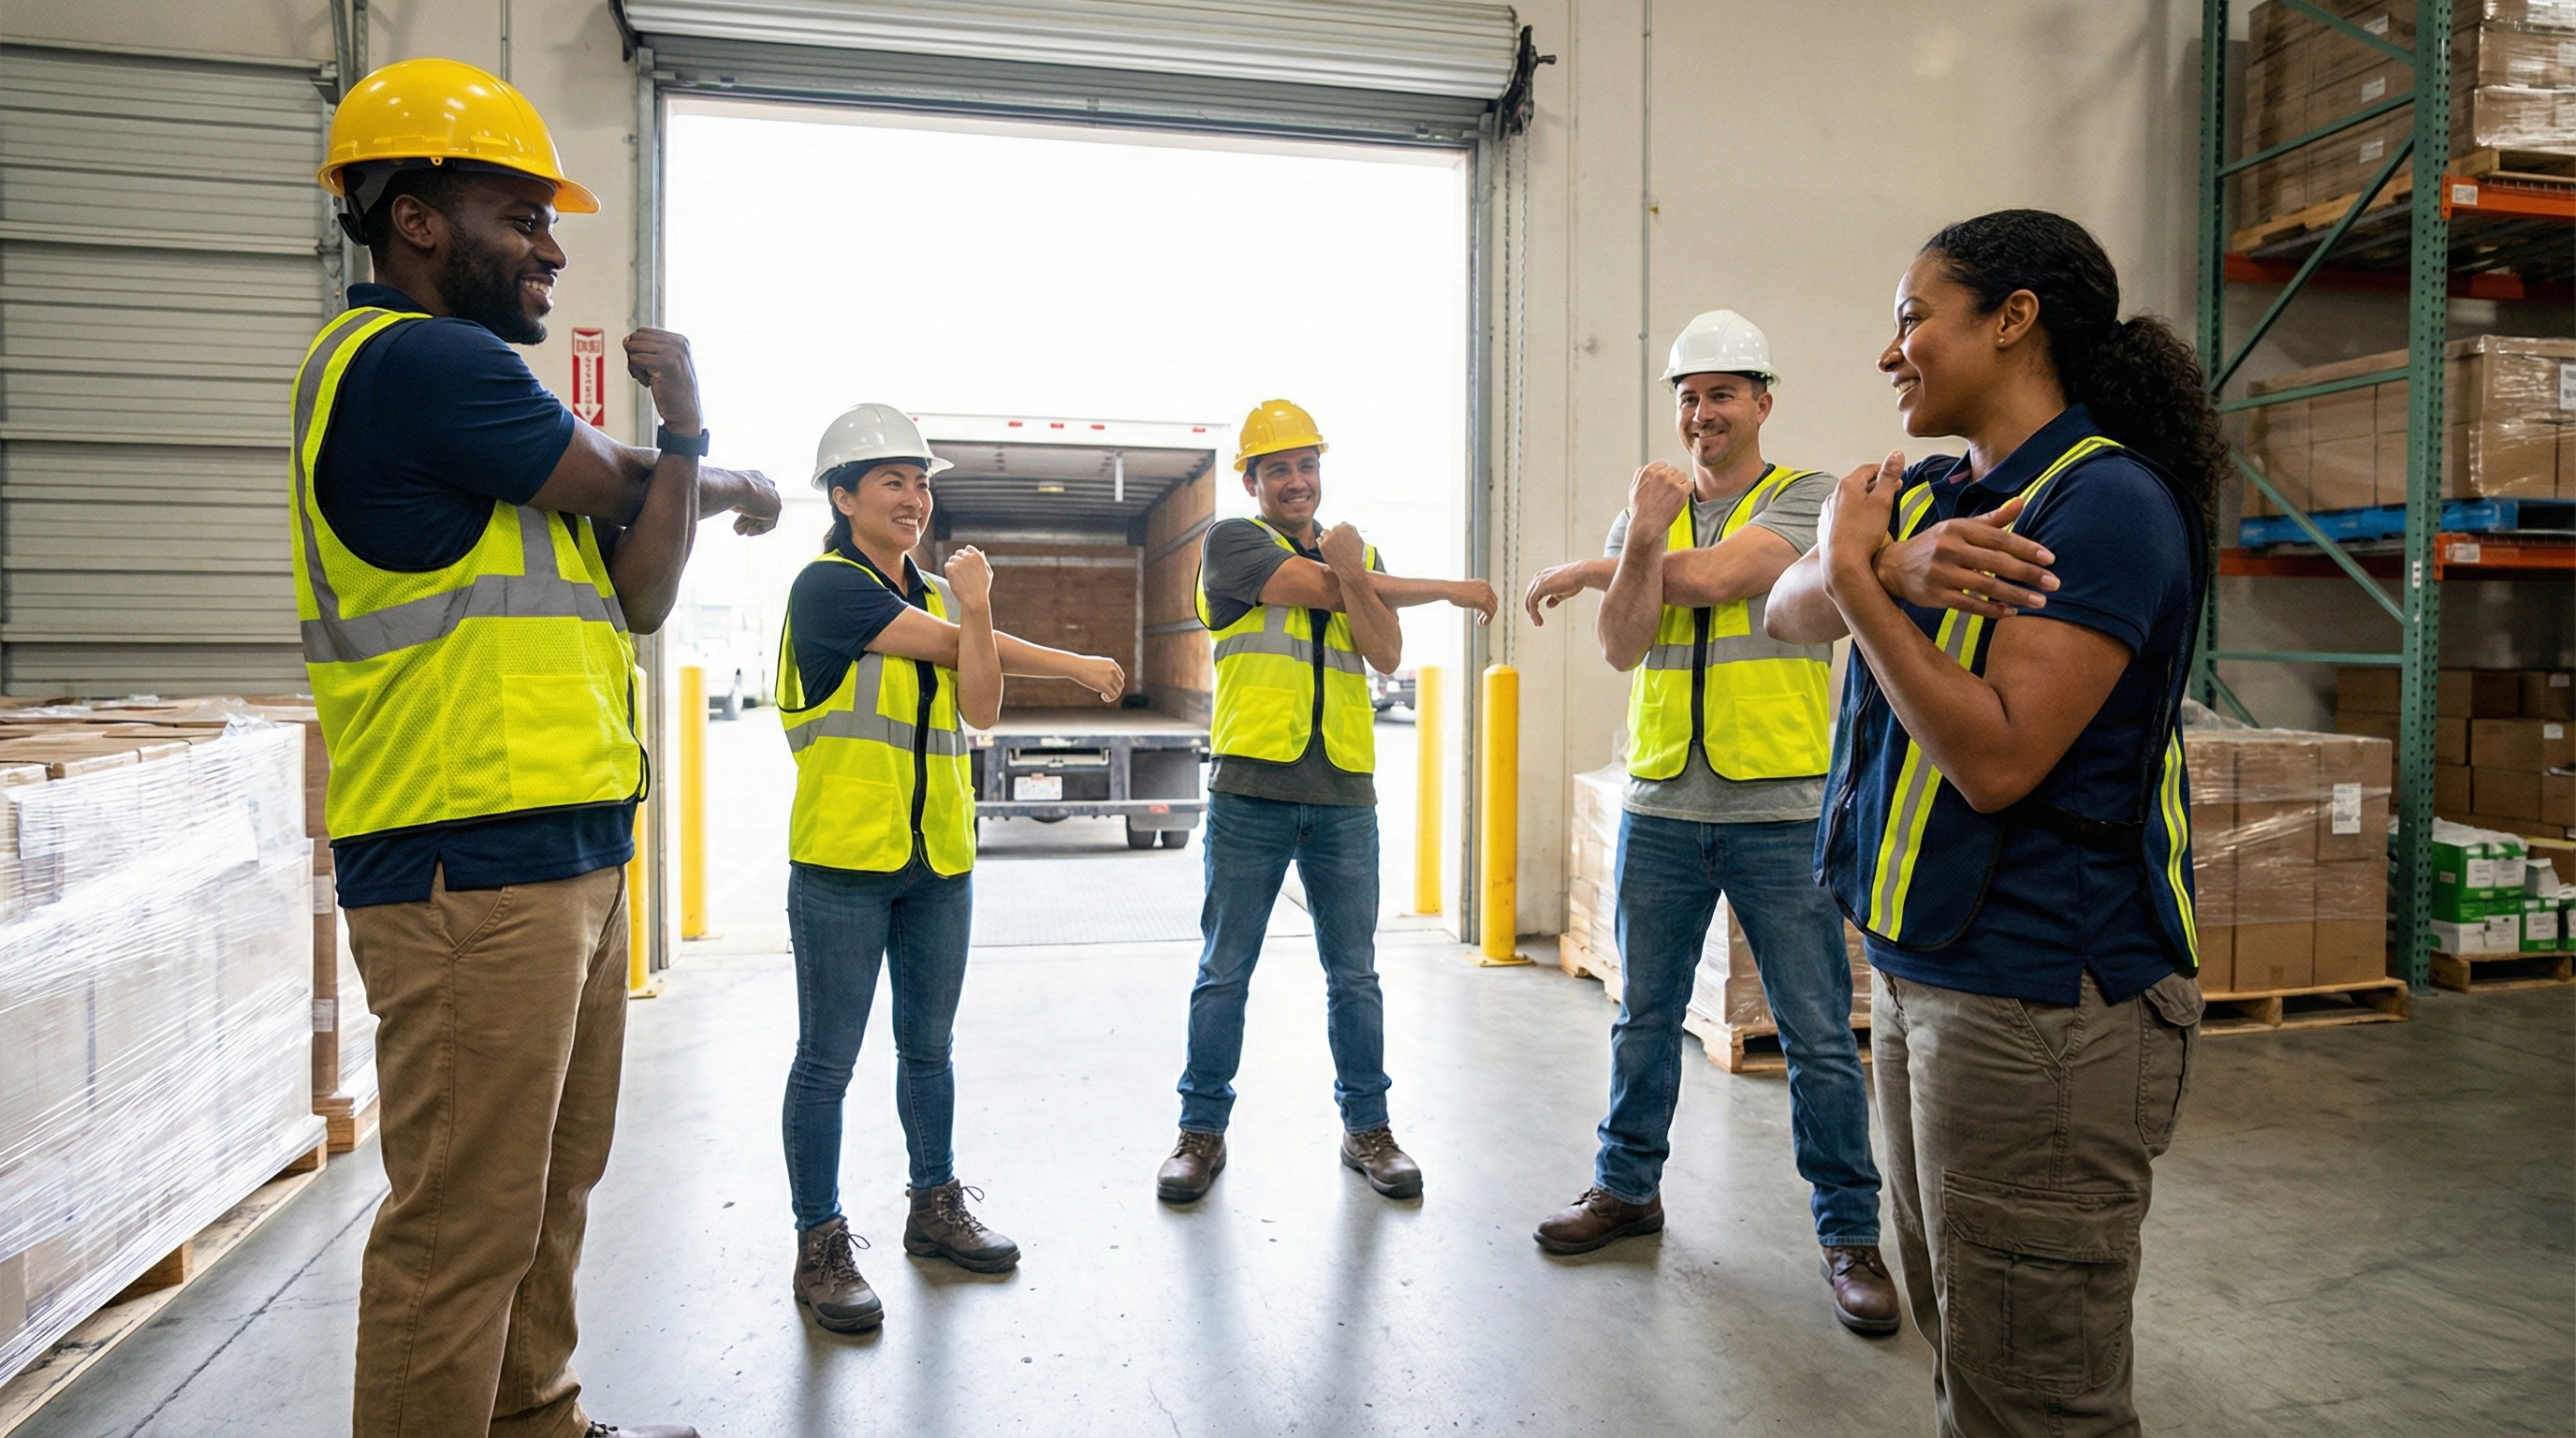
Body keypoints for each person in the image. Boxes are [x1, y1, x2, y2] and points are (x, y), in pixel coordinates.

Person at [297, 59, 780, 1438]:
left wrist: (684, 440)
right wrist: (706, 459)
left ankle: (535, 1421)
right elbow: (632, 488)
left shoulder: (488, 419)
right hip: (468, 863)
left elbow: (639, 590)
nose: (551, 246)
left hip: (561, 850)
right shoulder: (416, 365)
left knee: (549, 1193)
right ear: (416, 219)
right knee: (459, 1234)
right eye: (520, 213)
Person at [1766, 210, 2219, 1434]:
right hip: (1930, 982)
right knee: (1969, 1334)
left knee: (2036, 1394)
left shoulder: (2106, 505)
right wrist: (1869, 566)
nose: (1890, 350)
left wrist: (1864, 583)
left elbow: (2001, 760)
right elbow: (1782, 612)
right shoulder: (1933, 495)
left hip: (2045, 1005)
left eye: (1912, 316)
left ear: (2013, 318)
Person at [1519, 311, 1895, 1335]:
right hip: (1663, 806)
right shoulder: (1646, 517)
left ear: (1762, 402)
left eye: (1722, 393)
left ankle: (1849, 1233)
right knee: (1642, 1017)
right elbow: (1622, 642)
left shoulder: (1806, 498)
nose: (1701, 413)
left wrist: (1606, 560)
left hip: (1776, 804)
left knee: (1816, 1033)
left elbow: (1725, 577)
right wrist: (1633, 541)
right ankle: (1625, 1189)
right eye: (1687, 397)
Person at [779, 404, 1129, 1334]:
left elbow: (979, 705)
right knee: (827, 1061)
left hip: (938, 861)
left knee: (928, 1050)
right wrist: (1075, 661)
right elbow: (944, 649)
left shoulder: (941, 595)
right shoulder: (826, 589)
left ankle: (933, 1208)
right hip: (844, 861)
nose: (912, 496)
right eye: (889, 481)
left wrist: (974, 605)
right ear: (844, 496)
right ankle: (820, 1243)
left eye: (921, 481)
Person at [1154, 400, 1499, 1205]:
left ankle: (1368, 1130)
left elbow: (1384, 650)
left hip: (1343, 790)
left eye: (1307, 465)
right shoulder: (1233, 544)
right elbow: (1320, 588)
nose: (1297, 481)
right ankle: (1200, 1133)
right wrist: (1446, 586)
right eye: (1278, 469)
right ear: (1252, 480)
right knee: (1224, 970)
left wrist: (1357, 571)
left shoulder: (1358, 553)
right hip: (1252, 788)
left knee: (1356, 976)